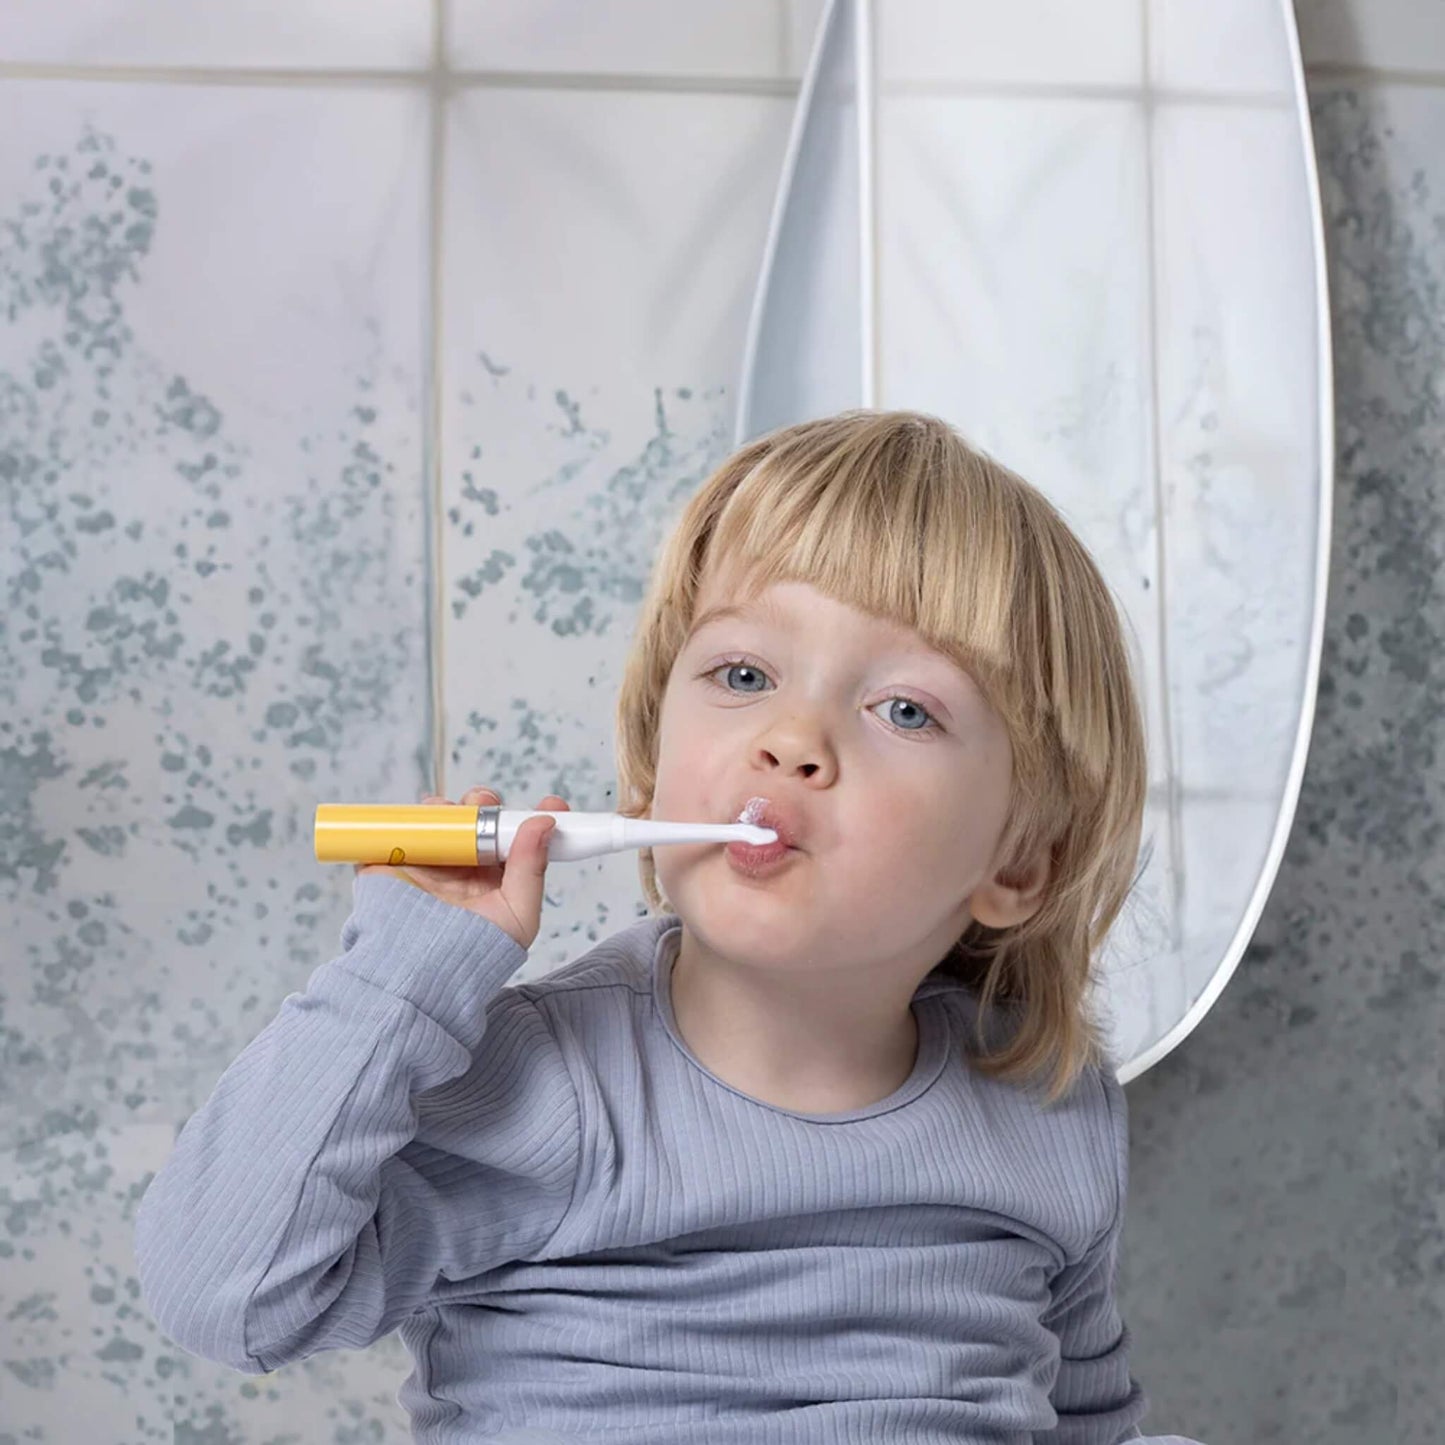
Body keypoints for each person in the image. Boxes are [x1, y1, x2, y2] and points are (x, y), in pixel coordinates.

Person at [134, 410, 1206, 1444]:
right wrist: (399, 978)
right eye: (742, 675)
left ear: (1016, 862)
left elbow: (1087, 1426)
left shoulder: (1047, 1115)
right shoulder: (539, 1081)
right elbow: (223, 1295)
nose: (792, 738)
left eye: (903, 708)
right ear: (652, 766)